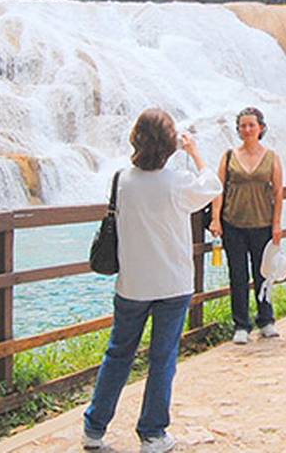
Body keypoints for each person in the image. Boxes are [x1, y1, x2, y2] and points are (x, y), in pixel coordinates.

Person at [83, 109, 222, 453]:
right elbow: (213, 185)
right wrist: (194, 151)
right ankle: (152, 434)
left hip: (132, 284)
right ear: (169, 144)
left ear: (136, 138)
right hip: (173, 284)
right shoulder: (177, 182)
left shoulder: (121, 180)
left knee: (118, 355)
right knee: (163, 358)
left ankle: (94, 429)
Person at [209, 107, 284, 344]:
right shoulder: (229, 156)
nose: (247, 129)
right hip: (234, 224)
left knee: (264, 275)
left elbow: (278, 192)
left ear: (261, 127)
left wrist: (277, 224)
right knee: (237, 275)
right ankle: (241, 325)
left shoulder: (272, 156)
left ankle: (267, 320)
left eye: (252, 125)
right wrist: (215, 218)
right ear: (238, 129)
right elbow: (218, 188)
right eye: (243, 126)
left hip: (262, 224)